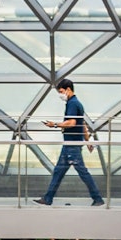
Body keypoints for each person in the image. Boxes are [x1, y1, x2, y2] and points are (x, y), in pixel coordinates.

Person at [34, 79, 105, 207]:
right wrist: (88, 141)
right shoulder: (77, 103)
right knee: (58, 171)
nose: (60, 95)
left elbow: (72, 123)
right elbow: (82, 123)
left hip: (72, 145)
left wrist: (54, 124)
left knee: (82, 172)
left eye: (61, 92)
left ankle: (98, 198)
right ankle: (48, 198)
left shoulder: (72, 104)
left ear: (68, 89)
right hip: (71, 144)